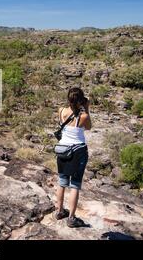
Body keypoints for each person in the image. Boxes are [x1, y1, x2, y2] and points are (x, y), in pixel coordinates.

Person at [55, 87, 92, 228]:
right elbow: (88, 127)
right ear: (81, 100)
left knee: (62, 182)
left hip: (62, 150)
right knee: (75, 184)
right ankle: (71, 218)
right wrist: (86, 108)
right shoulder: (83, 117)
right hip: (78, 151)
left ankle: (59, 211)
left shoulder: (61, 111)